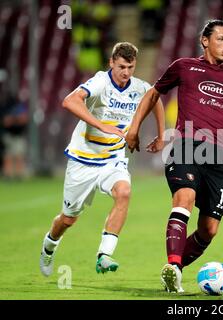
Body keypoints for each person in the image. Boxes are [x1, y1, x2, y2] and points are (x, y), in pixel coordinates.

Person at [125, 19, 223, 293]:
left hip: (221, 158)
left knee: (209, 230)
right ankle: (172, 265)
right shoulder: (184, 67)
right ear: (205, 40)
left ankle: (175, 269)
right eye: (221, 39)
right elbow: (153, 94)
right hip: (187, 145)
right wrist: (134, 128)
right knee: (184, 198)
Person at [39, 42, 165, 277]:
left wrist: (160, 135)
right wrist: (102, 125)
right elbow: (69, 101)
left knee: (124, 192)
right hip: (83, 160)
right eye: (121, 66)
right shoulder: (100, 81)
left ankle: (104, 255)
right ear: (111, 63)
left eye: (130, 67)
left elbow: (155, 99)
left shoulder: (138, 87)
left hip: (113, 159)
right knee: (67, 220)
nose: (126, 72)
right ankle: (49, 245)